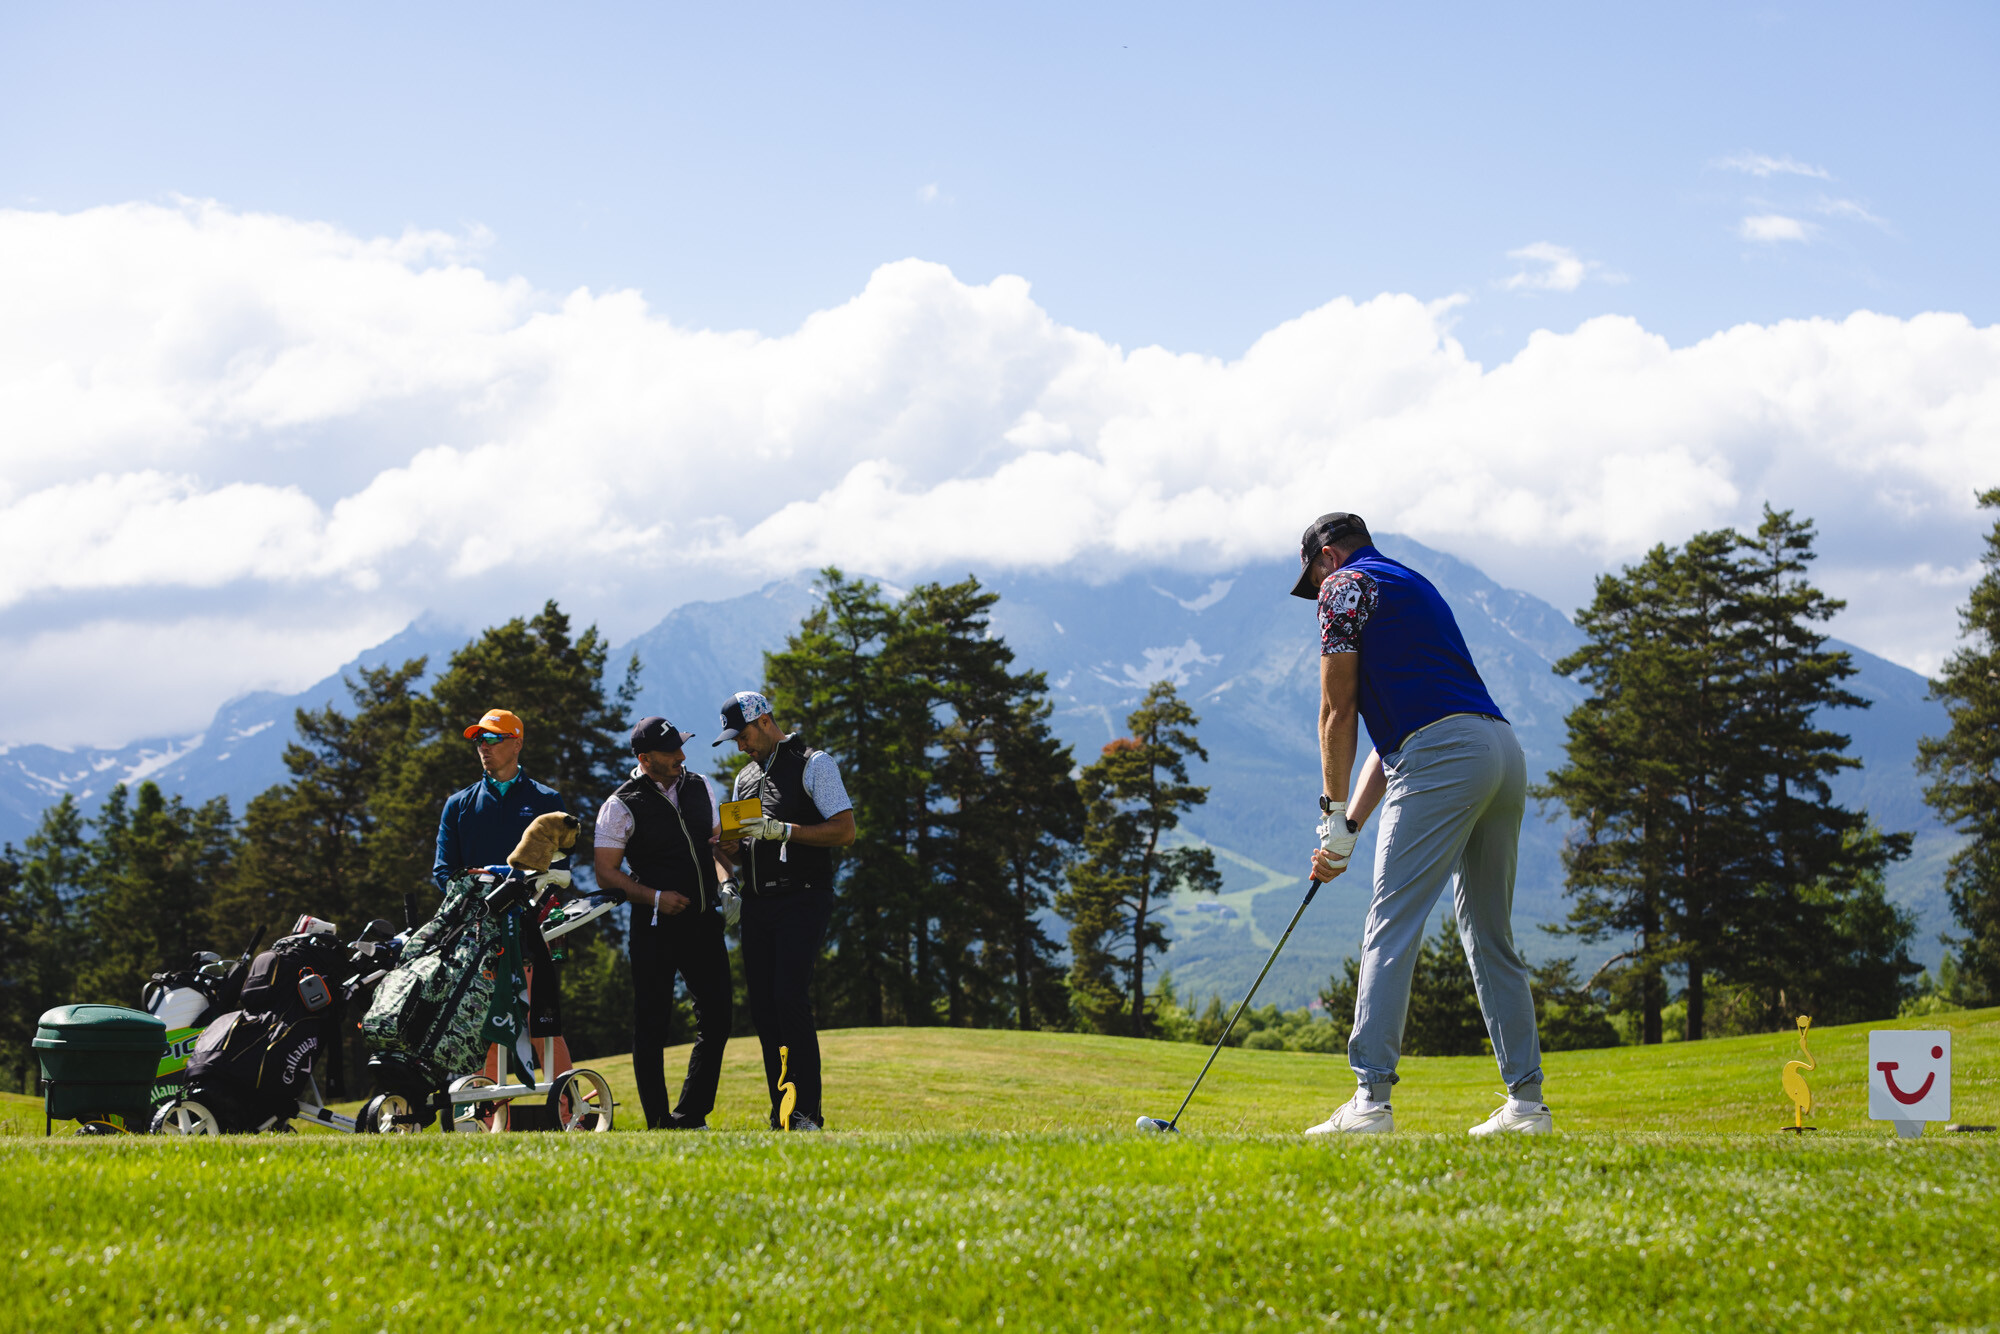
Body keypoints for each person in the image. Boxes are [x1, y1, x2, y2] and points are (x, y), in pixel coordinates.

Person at [1292, 512, 1550, 1137]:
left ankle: (1370, 1102)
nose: (1316, 595)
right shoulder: (1413, 584)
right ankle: (1526, 1106)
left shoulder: (1343, 587)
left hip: (1443, 756)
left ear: (1326, 557)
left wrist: (1327, 821)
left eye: (1313, 580)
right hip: (1500, 752)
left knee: (1391, 923)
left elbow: (1338, 710)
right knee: (1489, 934)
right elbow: (1401, 731)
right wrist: (1351, 825)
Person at [713, 690, 855, 1131]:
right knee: (764, 1008)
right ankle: (782, 1115)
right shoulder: (745, 780)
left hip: (803, 897)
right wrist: (729, 858)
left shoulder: (815, 763)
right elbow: (735, 850)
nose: (740, 745)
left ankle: (808, 1113)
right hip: (758, 904)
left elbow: (845, 831)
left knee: (789, 998)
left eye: (743, 735)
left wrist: (784, 831)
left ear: (764, 721)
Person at [593, 716, 740, 1130]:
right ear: (645, 758)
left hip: (702, 922)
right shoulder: (619, 805)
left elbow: (714, 846)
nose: (681, 756)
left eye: (681, 746)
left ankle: (691, 1115)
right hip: (653, 927)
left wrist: (728, 881)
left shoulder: (700, 786)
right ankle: (658, 1121)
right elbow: (607, 873)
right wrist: (656, 897)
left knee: (718, 1017)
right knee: (651, 1023)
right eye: (671, 751)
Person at [433, 708, 570, 889]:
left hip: (530, 914)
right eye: (479, 740)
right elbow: (444, 870)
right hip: (473, 915)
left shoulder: (548, 801)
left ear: (517, 744)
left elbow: (558, 869)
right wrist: (479, 899)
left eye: (492, 738)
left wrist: (517, 895)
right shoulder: (457, 804)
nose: (484, 746)